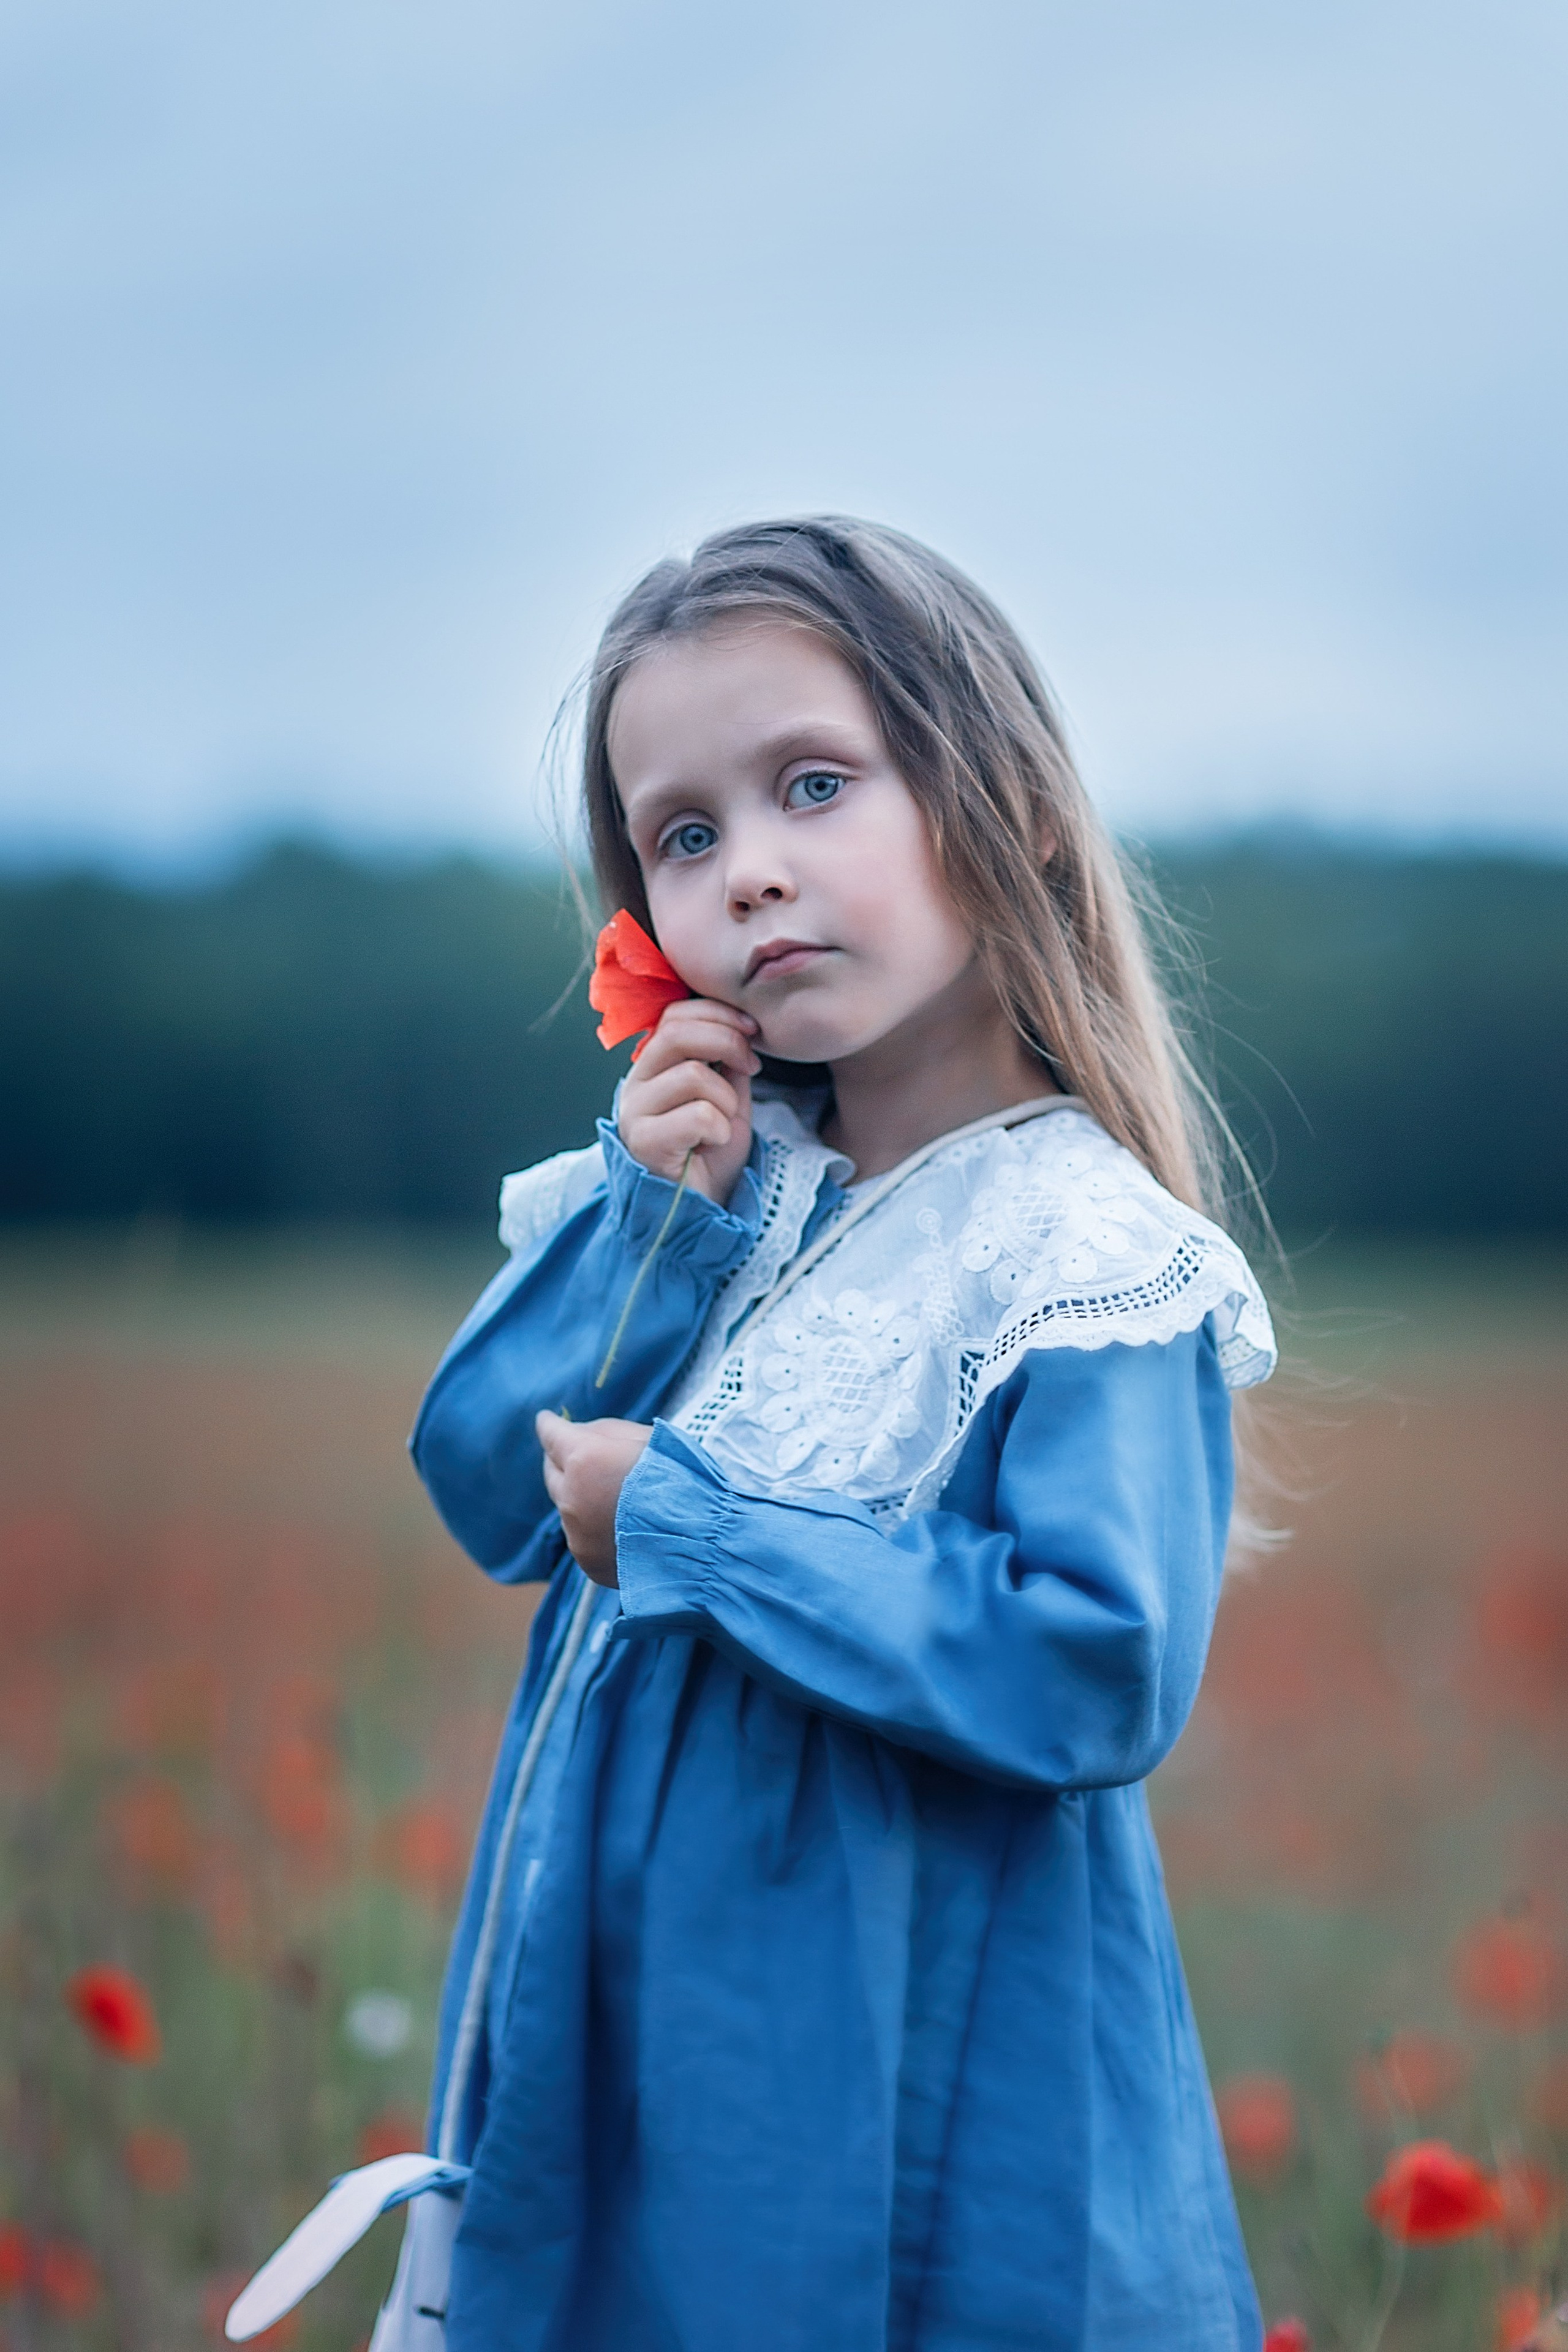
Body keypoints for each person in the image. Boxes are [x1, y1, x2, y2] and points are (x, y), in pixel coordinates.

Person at [409, 516, 1277, 2351]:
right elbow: (492, 1485)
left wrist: (702, 1531)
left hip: (899, 2031)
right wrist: (652, 1224)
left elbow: (1093, 1665)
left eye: (816, 784)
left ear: (1010, 806)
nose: (753, 875)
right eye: (688, 835)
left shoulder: (1083, 1255)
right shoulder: (714, 1189)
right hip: (639, 2011)